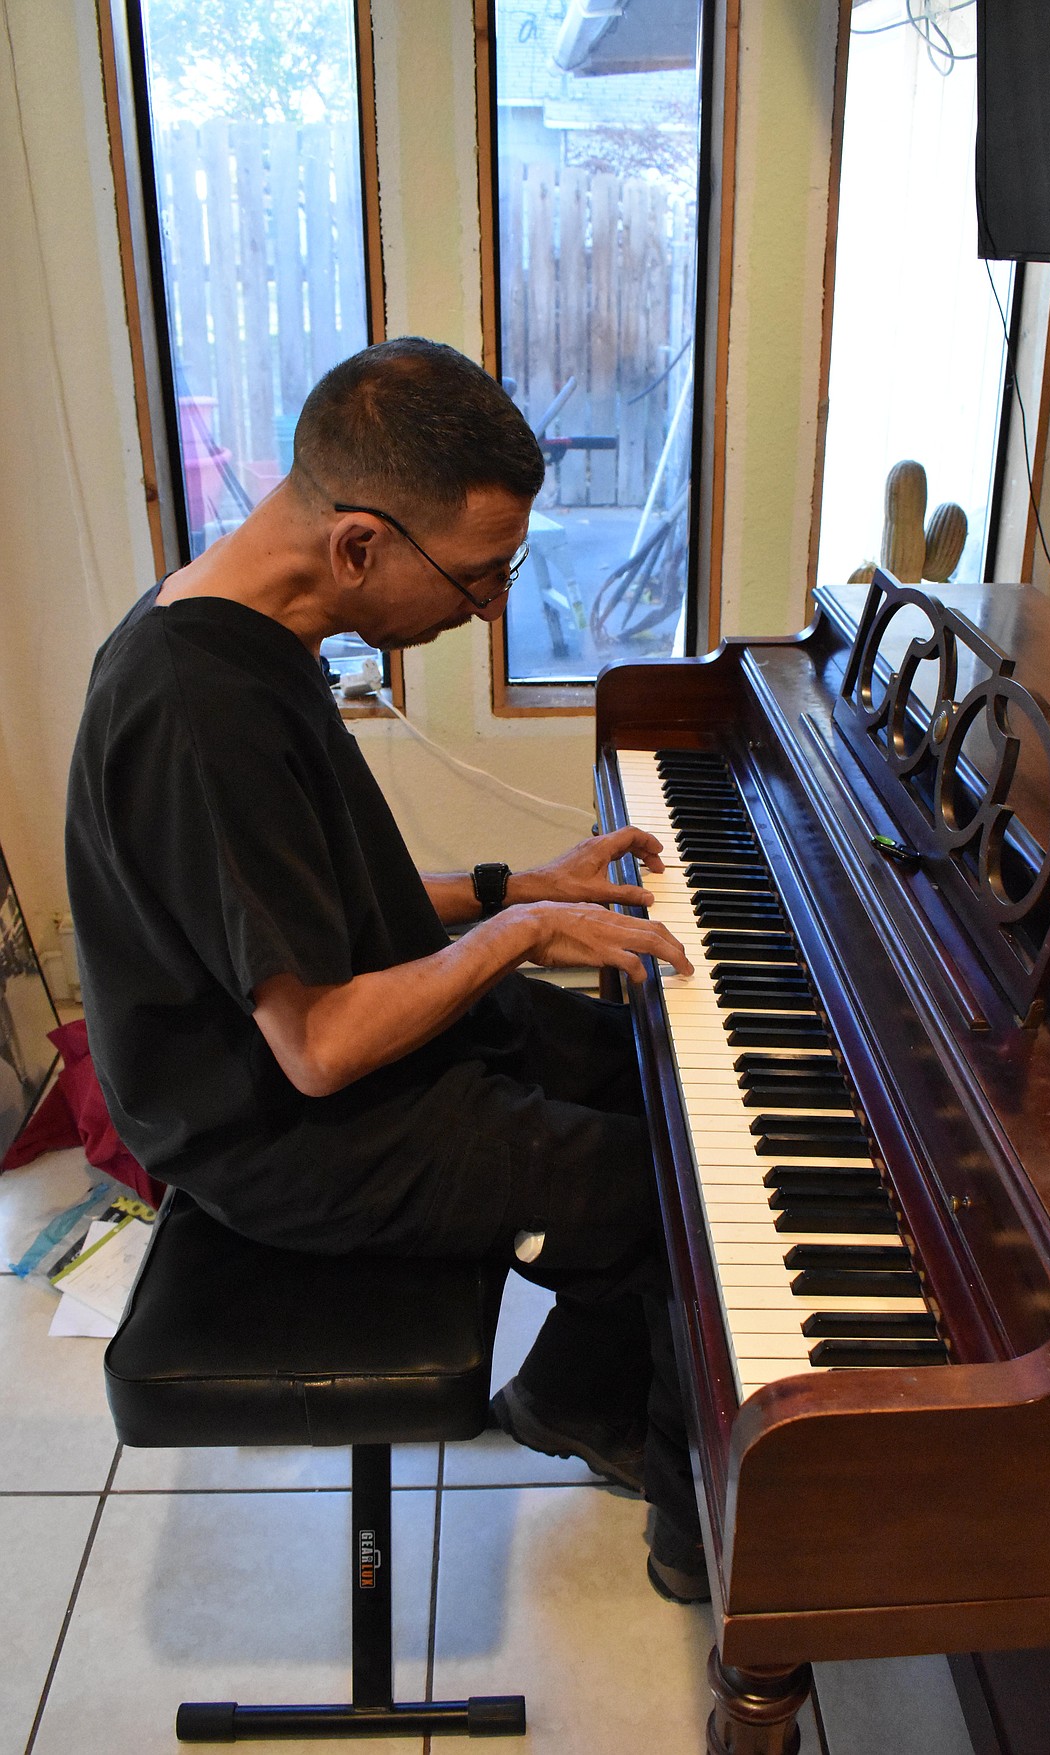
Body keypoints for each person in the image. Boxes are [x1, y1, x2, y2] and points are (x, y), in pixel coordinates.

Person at [65, 337, 710, 1602]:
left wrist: (519, 887)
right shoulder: (200, 710)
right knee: (664, 1201)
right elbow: (321, 1047)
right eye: (477, 580)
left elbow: (318, 904)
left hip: (342, 1038)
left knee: (653, 1072)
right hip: (271, 1127)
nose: (487, 611)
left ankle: (571, 1397)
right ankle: (697, 1532)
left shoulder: (251, 625)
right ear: (361, 543)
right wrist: (515, 940)